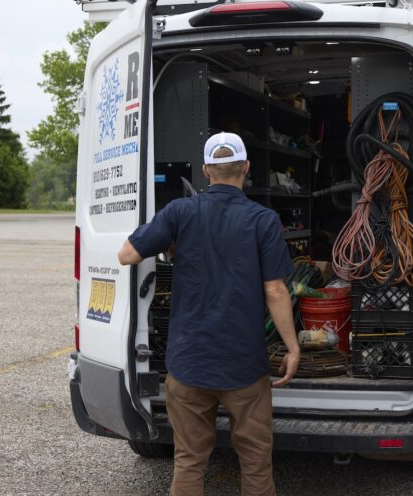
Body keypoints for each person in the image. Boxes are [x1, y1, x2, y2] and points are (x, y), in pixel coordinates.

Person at [117, 132, 300, 496]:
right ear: (246, 168)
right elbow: (275, 290)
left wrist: (170, 244)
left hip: (188, 365)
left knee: (189, 461)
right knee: (256, 462)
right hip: (244, 368)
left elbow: (127, 255)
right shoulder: (263, 220)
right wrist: (292, 347)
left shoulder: (180, 212)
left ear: (205, 171)